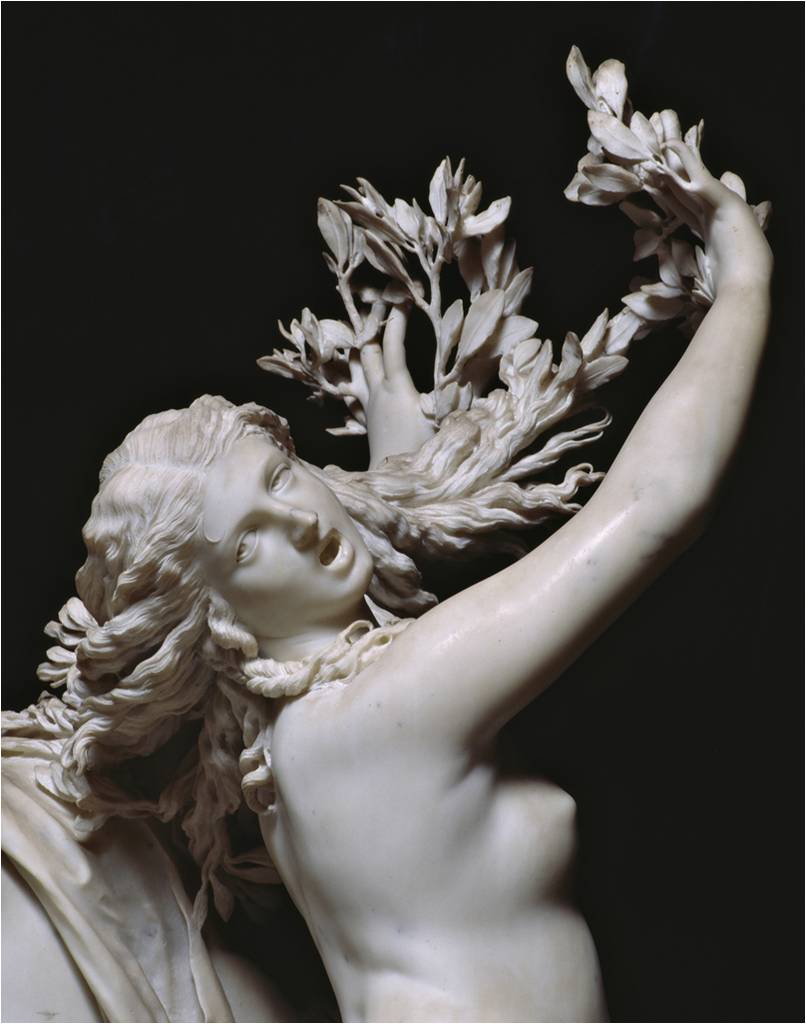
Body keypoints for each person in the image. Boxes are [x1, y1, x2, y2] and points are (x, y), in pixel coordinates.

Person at [2, 141, 772, 1022]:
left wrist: (397, 460)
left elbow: (350, 574)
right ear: (215, 620)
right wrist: (744, 278)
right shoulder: (385, 708)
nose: (300, 522)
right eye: (248, 545)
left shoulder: (291, 741)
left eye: (282, 477)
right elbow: (656, 505)